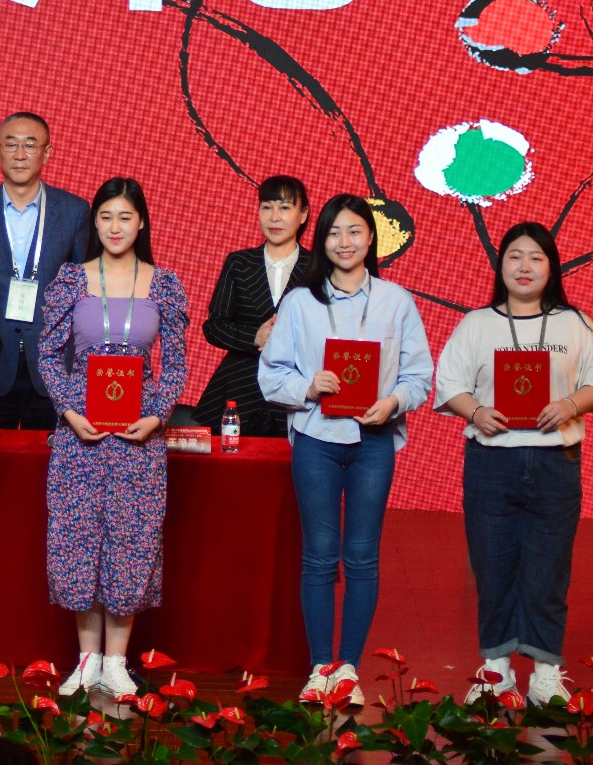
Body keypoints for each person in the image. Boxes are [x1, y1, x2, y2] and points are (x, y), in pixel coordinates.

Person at [259, 193, 433, 705]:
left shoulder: (396, 301)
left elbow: (419, 376)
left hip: (373, 442)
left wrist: (394, 401)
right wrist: (308, 387)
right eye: (334, 232)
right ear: (321, 241)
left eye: (354, 231)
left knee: (361, 557)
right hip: (315, 439)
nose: (344, 241)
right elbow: (271, 374)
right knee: (318, 556)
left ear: (371, 238)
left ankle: (348, 670)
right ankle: (320, 669)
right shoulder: (300, 302)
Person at [38, 177, 188, 698]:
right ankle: (86, 661)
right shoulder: (71, 280)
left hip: (138, 436)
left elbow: (175, 365)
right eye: (106, 217)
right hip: (80, 434)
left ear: (141, 222)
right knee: (78, 538)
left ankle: (117, 662)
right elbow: (48, 356)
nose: (115, 227)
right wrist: (69, 410)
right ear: (94, 223)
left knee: (131, 540)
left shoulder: (162, 284)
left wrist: (158, 415)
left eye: (125, 217)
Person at [434, 222, 593, 706]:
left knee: (549, 569)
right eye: (515, 257)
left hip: (555, 462)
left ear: (552, 267)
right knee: (492, 566)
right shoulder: (476, 323)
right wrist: (476, 412)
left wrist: (570, 405)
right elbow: (450, 383)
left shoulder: (575, 323)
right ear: (500, 264)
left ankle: (546, 673)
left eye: (536, 258)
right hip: (491, 461)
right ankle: (496, 670)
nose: (525, 267)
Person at [0, 112, 89, 430]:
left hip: (54, 368)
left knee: (47, 458)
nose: (20, 154)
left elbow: (85, 293)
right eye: (11, 144)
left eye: (30, 144)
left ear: (47, 152)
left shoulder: (74, 212)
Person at [194, 175, 312, 437]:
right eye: (267, 207)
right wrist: (254, 337)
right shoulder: (239, 262)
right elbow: (214, 326)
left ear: (303, 214)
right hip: (240, 387)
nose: (274, 217)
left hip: (294, 389)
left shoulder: (316, 268)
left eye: (284, 207)